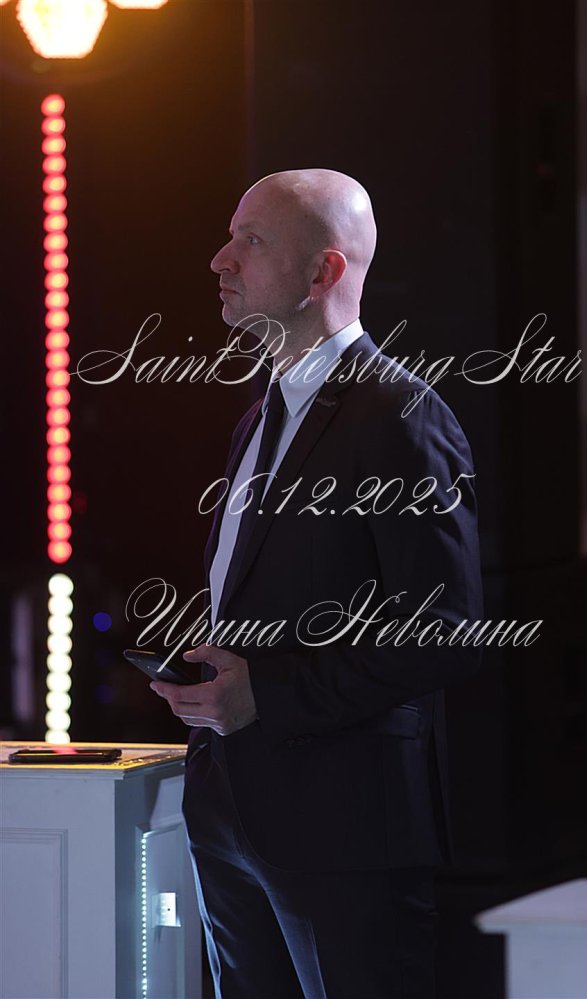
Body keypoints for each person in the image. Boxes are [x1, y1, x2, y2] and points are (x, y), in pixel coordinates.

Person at [150, 168, 484, 998]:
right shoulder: (258, 416)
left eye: (251, 241)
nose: (220, 259)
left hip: (346, 832)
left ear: (323, 272)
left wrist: (266, 694)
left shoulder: (402, 415)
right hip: (230, 809)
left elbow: (444, 632)